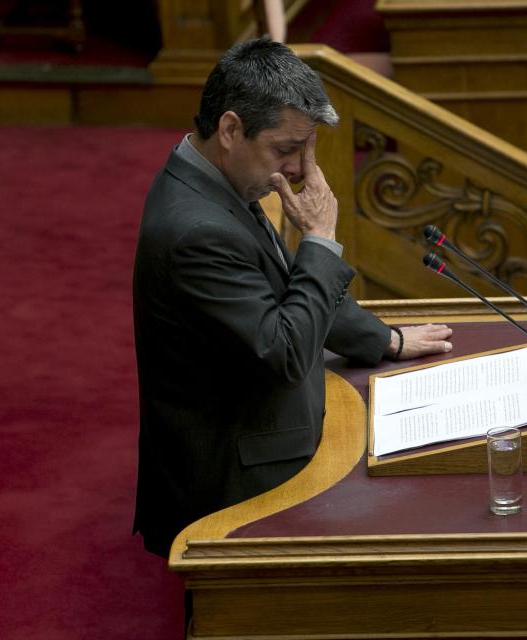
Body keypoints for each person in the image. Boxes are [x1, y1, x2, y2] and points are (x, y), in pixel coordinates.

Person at [132, 38, 453, 558]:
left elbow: (281, 282)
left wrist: (384, 339)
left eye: (308, 148)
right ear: (231, 129)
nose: (303, 169)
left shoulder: (213, 177)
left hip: (255, 429)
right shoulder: (195, 230)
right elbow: (284, 353)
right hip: (237, 478)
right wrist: (321, 240)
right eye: (287, 149)